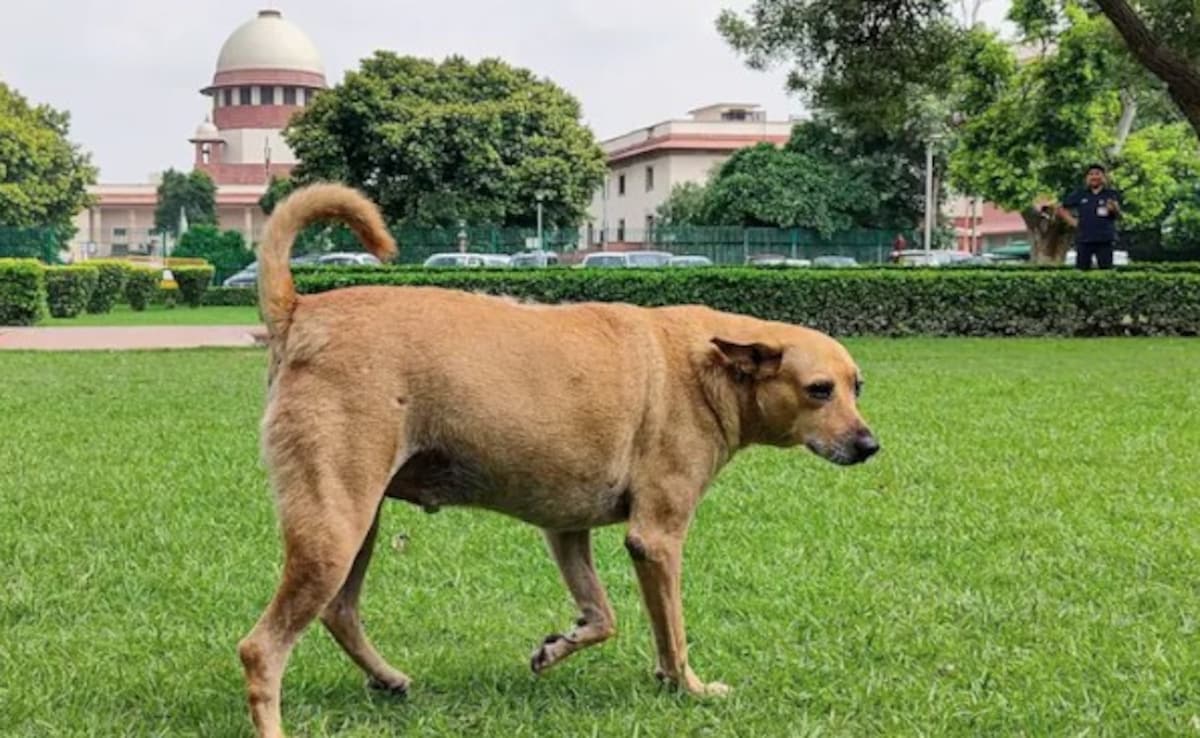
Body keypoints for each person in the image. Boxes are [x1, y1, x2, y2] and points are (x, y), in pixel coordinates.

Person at [1058, 164, 1122, 270]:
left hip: (1104, 239)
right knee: (1081, 271)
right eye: (1091, 174)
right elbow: (1061, 208)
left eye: (1097, 174)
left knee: (1106, 271)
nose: (1094, 177)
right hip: (1084, 238)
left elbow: (1118, 215)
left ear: (1104, 177)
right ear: (1087, 178)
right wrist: (1072, 221)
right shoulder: (1080, 194)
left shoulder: (1111, 194)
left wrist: (1114, 209)